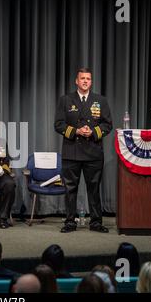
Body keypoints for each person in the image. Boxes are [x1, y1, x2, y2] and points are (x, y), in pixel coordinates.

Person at [54, 68, 112, 233]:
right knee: (70, 190)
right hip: (72, 151)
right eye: (82, 78)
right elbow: (58, 124)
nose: (85, 81)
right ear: (76, 81)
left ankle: (96, 222)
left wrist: (93, 132)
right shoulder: (65, 100)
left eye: (88, 79)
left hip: (93, 152)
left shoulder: (100, 100)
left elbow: (108, 125)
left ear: (91, 82)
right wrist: (77, 131)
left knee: (93, 190)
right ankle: (70, 222)